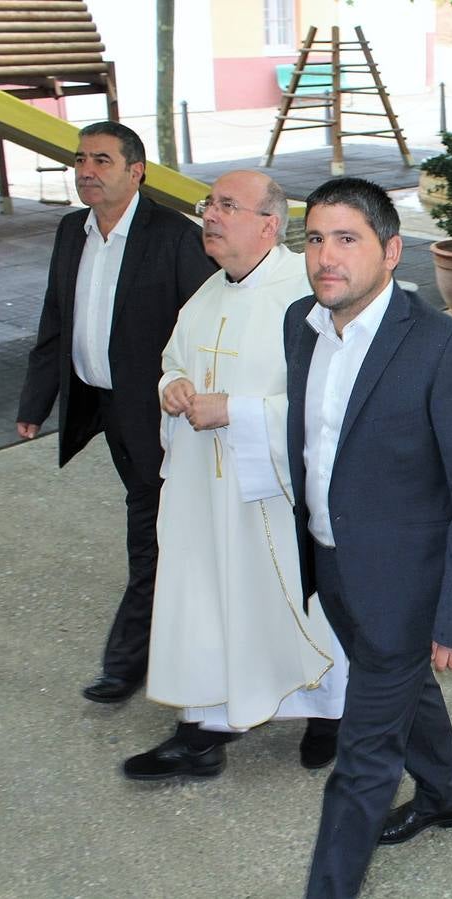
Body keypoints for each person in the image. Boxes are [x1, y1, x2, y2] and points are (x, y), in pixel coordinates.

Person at [287, 177, 452, 899]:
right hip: (334, 565)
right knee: (409, 693)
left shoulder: (442, 348)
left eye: (346, 239)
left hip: (407, 586)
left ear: (390, 250)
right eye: (315, 238)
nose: (326, 256)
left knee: (364, 759)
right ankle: (445, 795)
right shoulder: (301, 324)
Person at [121, 171, 346, 781]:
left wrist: (239, 413)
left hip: (273, 493)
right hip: (205, 492)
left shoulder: (306, 293)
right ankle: (200, 733)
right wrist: (175, 388)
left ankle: (330, 714)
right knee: (203, 599)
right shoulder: (206, 295)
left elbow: (332, 397)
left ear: (269, 225)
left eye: (227, 206)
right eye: (208, 204)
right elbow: (171, 361)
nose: (210, 216)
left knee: (299, 605)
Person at [16, 122, 216, 705]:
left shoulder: (173, 236)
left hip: (160, 415)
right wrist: (36, 403)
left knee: (150, 533)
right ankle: (157, 645)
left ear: (137, 171)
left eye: (102, 160)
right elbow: (56, 319)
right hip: (102, 406)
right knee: (156, 528)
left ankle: (129, 662)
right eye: (80, 160)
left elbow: (202, 329)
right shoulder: (70, 232)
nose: (86, 171)